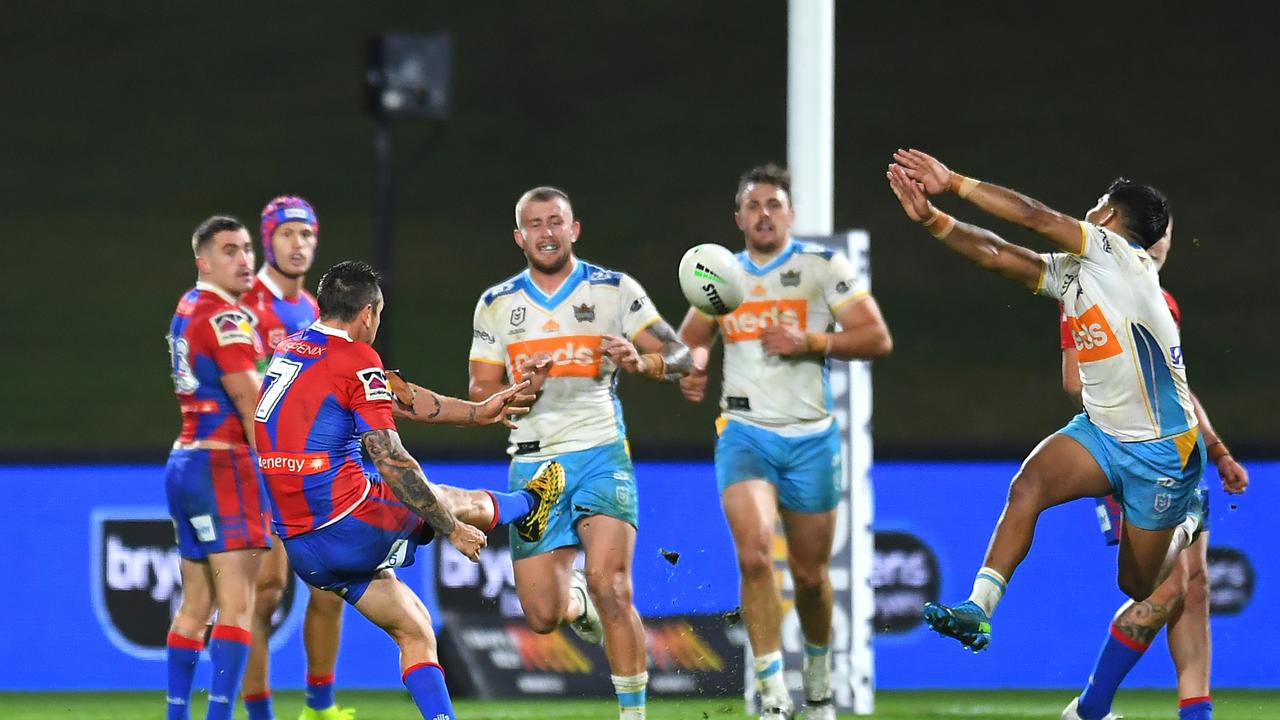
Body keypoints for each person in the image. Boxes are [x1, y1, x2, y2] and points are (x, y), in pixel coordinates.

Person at [885, 148, 1204, 652]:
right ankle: (978, 608)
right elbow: (997, 254)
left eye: (1099, 203)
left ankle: (1187, 520)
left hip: (1162, 449)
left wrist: (954, 182)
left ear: (1109, 216)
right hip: (1101, 432)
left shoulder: (1119, 255)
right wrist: (933, 220)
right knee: (1028, 485)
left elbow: (1034, 216)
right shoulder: (1081, 270)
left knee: (1137, 585)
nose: (1090, 209)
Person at [255, 260, 563, 720]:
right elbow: (389, 457)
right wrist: (451, 530)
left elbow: (398, 396)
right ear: (368, 315)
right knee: (447, 499)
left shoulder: (292, 348)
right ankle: (530, 504)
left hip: (302, 547)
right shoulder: (357, 358)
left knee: (415, 629)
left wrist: (480, 412)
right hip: (349, 521)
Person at [676, 164, 893, 720]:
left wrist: (809, 341)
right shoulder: (722, 275)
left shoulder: (821, 268)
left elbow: (876, 338)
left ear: (791, 215)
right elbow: (691, 342)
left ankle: (817, 686)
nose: (763, 214)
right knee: (753, 557)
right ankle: (772, 690)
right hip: (744, 433)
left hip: (811, 440)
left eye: (773, 204)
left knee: (811, 577)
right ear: (739, 218)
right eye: (753, 206)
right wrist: (694, 367)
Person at [467, 186, 692, 720]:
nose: (547, 233)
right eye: (535, 225)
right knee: (544, 616)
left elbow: (682, 353)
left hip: (600, 452)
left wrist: (643, 363)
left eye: (556, 222)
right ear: (519, 237)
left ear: (575, 229)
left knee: (612, 583)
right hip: (532, 465)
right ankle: (579, 604)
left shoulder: (615, 291)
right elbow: (480, 391)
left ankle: (632, 715)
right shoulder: (497, 303)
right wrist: (518, 386)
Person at [1060, 221, 1249, 720]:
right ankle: (1089, 709)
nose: (1159, 239)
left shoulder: (1164, 302)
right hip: (1131, 454)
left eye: (1165, 229)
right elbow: (1074, 380)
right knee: (1164, 589)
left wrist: (1218, 449)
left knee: (1195, 587)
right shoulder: (1085, 290)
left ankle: (1196, 714)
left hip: (1182, 455)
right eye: (1147, 230)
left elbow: (1177, 390)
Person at [237, 196, 352, 720]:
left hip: (310, 470)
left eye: (306, 235)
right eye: (287, 234)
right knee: (265, 592)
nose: (299, 244)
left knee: (330, 584)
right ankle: (259, 711)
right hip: (255, 469)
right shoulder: (244, 306)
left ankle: (319, 708)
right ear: (268, 240)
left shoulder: (312, 312)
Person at [163, 215, 271, 720]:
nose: (244, 259)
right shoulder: (227, 319)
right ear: (203, 261)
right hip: (225, 465)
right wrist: (278, 466)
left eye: (248, 248)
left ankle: (177, 714)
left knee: (195, 604)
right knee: (238, 604)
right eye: (230, 250)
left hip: (185, 459)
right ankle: (220, 716)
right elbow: (250, 401)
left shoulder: (187, 307)